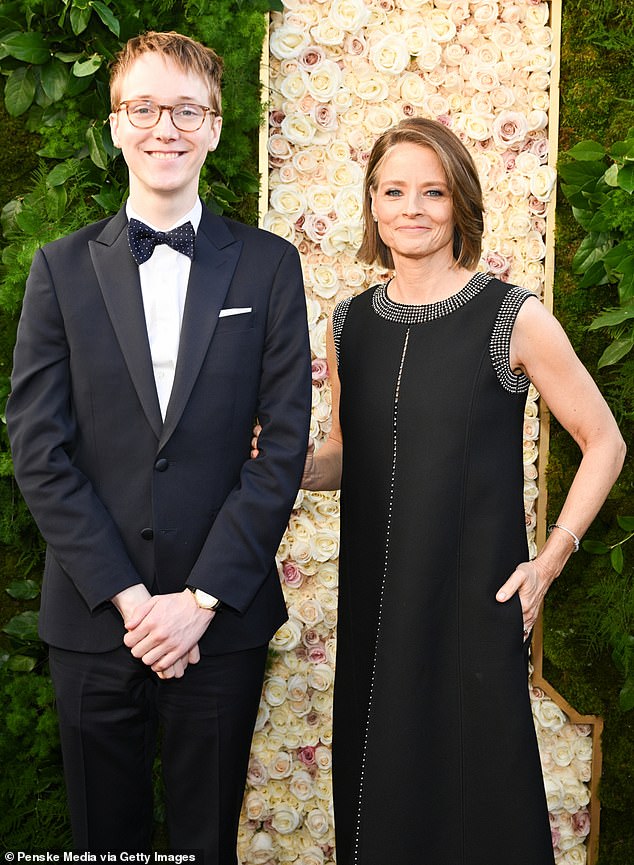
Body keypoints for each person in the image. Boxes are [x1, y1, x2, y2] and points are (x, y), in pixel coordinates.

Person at [253, 117, 625, 864]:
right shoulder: (349, 321)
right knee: (382, 798)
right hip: (376, 606)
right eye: (394, 191)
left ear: (460, 203)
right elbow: (346, 455)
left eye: (432, 191)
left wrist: (547, 563)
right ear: (373, 203)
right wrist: (291, 465)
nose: (411, 208)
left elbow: (605, 441)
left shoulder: (512, 315)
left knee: (480, 800)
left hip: (471, 602)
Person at [6, 30, 312, 862]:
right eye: (143, 107)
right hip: (96, 621)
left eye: (185, 109)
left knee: (207, 841)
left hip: (221, 625)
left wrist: (199, 599)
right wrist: (134, 601)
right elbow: (39, 449)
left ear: (214, 125)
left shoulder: (269, 267)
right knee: (103, 843)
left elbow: (282, 448)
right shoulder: (58, 270)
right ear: (115, 125)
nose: (163, 128)